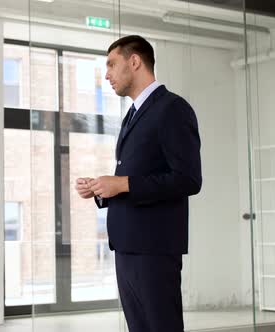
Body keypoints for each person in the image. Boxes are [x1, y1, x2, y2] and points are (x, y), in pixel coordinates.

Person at [75, 35, 202, 332]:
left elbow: (188, 179)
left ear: (134, 62)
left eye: (111, 64)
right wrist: (101, 189)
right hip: (128, 247)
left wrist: (123, 184)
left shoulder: (172, 108)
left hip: (154, 248)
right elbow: (134, 176)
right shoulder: (132, 115)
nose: (106, 74)